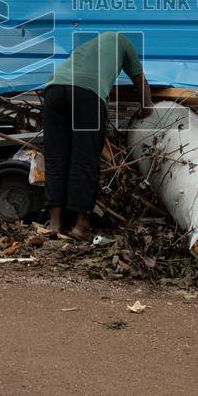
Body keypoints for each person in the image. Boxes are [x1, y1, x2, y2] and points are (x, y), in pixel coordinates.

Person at [42, 32, 152, 241]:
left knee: (56, 158)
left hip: (54, 89)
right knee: (84, 159)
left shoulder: (87, 47)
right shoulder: (124, 42)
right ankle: (80, 227)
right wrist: (146, 108)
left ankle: (55, 224)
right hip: (86, 94)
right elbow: (140, 80)